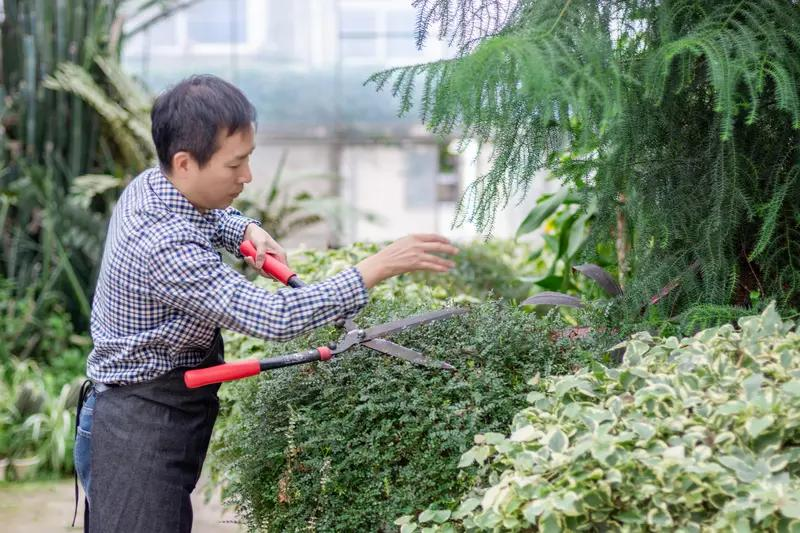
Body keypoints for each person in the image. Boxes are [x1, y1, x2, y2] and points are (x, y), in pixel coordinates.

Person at [73, 74, 457, 532]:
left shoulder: (154, 184)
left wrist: (244, 231)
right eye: (235, 165)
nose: (248, 176)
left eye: (249, 159)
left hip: (158, 408)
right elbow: (274, 317)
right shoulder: (164, 246)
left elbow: (209, 213)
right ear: (185, 162)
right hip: (135, 426)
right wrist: (376, 267)